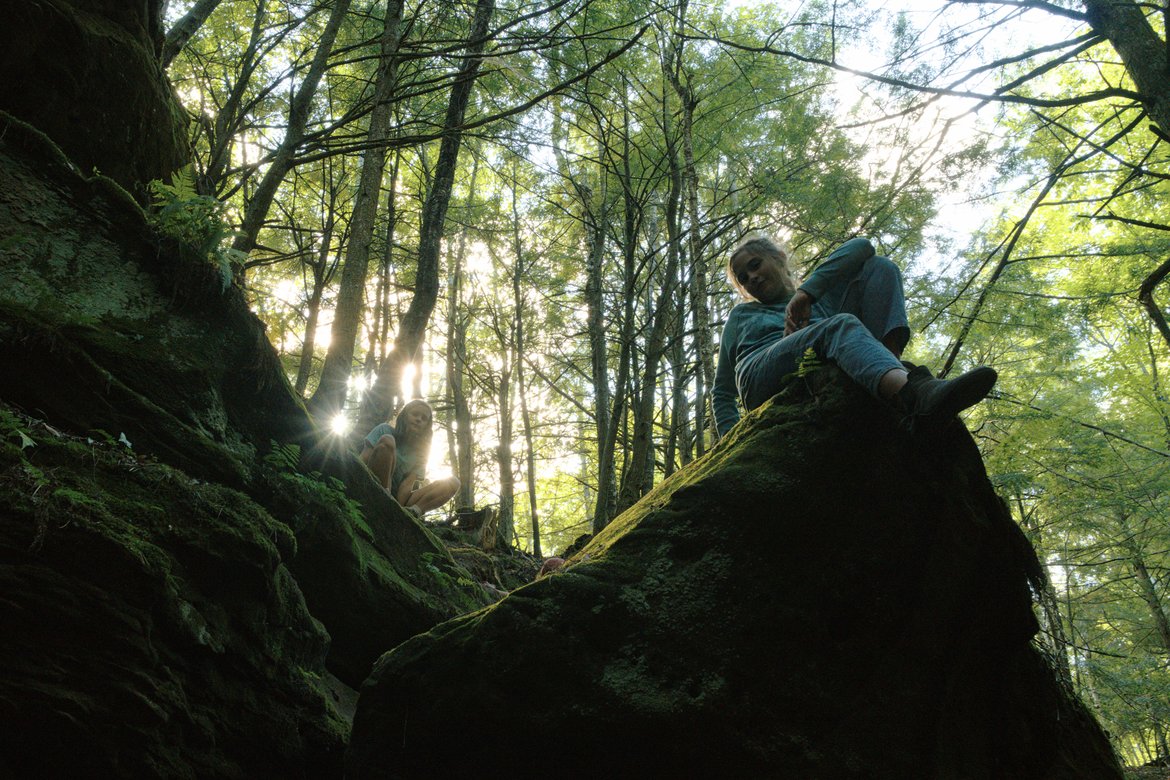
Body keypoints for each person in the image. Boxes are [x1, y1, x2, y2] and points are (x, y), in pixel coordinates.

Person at [712, 235, 997, 439]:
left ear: (779, 258)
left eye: (754, 265)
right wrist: (731, 441)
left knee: (881, 267)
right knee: (839, 326)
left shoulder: (818, 302)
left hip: (819, 350)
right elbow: (723, 391)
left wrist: (805, 293)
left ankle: (888, 379)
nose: (751, 278)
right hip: (760, 375)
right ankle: (913, 395)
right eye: (742, 278)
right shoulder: (741, 316)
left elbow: (862, 247)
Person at [360, 399, 460, 517]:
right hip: (373, 482)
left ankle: (413, 512)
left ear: (427, 426)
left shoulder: (421, 453)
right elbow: (362, 460)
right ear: (404, 416)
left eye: (424, 418)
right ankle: (383, 496)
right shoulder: (384, 429)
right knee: (388, 440)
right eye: (415, 414)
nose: (419, 419)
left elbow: (407, 485)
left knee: (453, 483)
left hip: (397, 497)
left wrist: (397, 507)